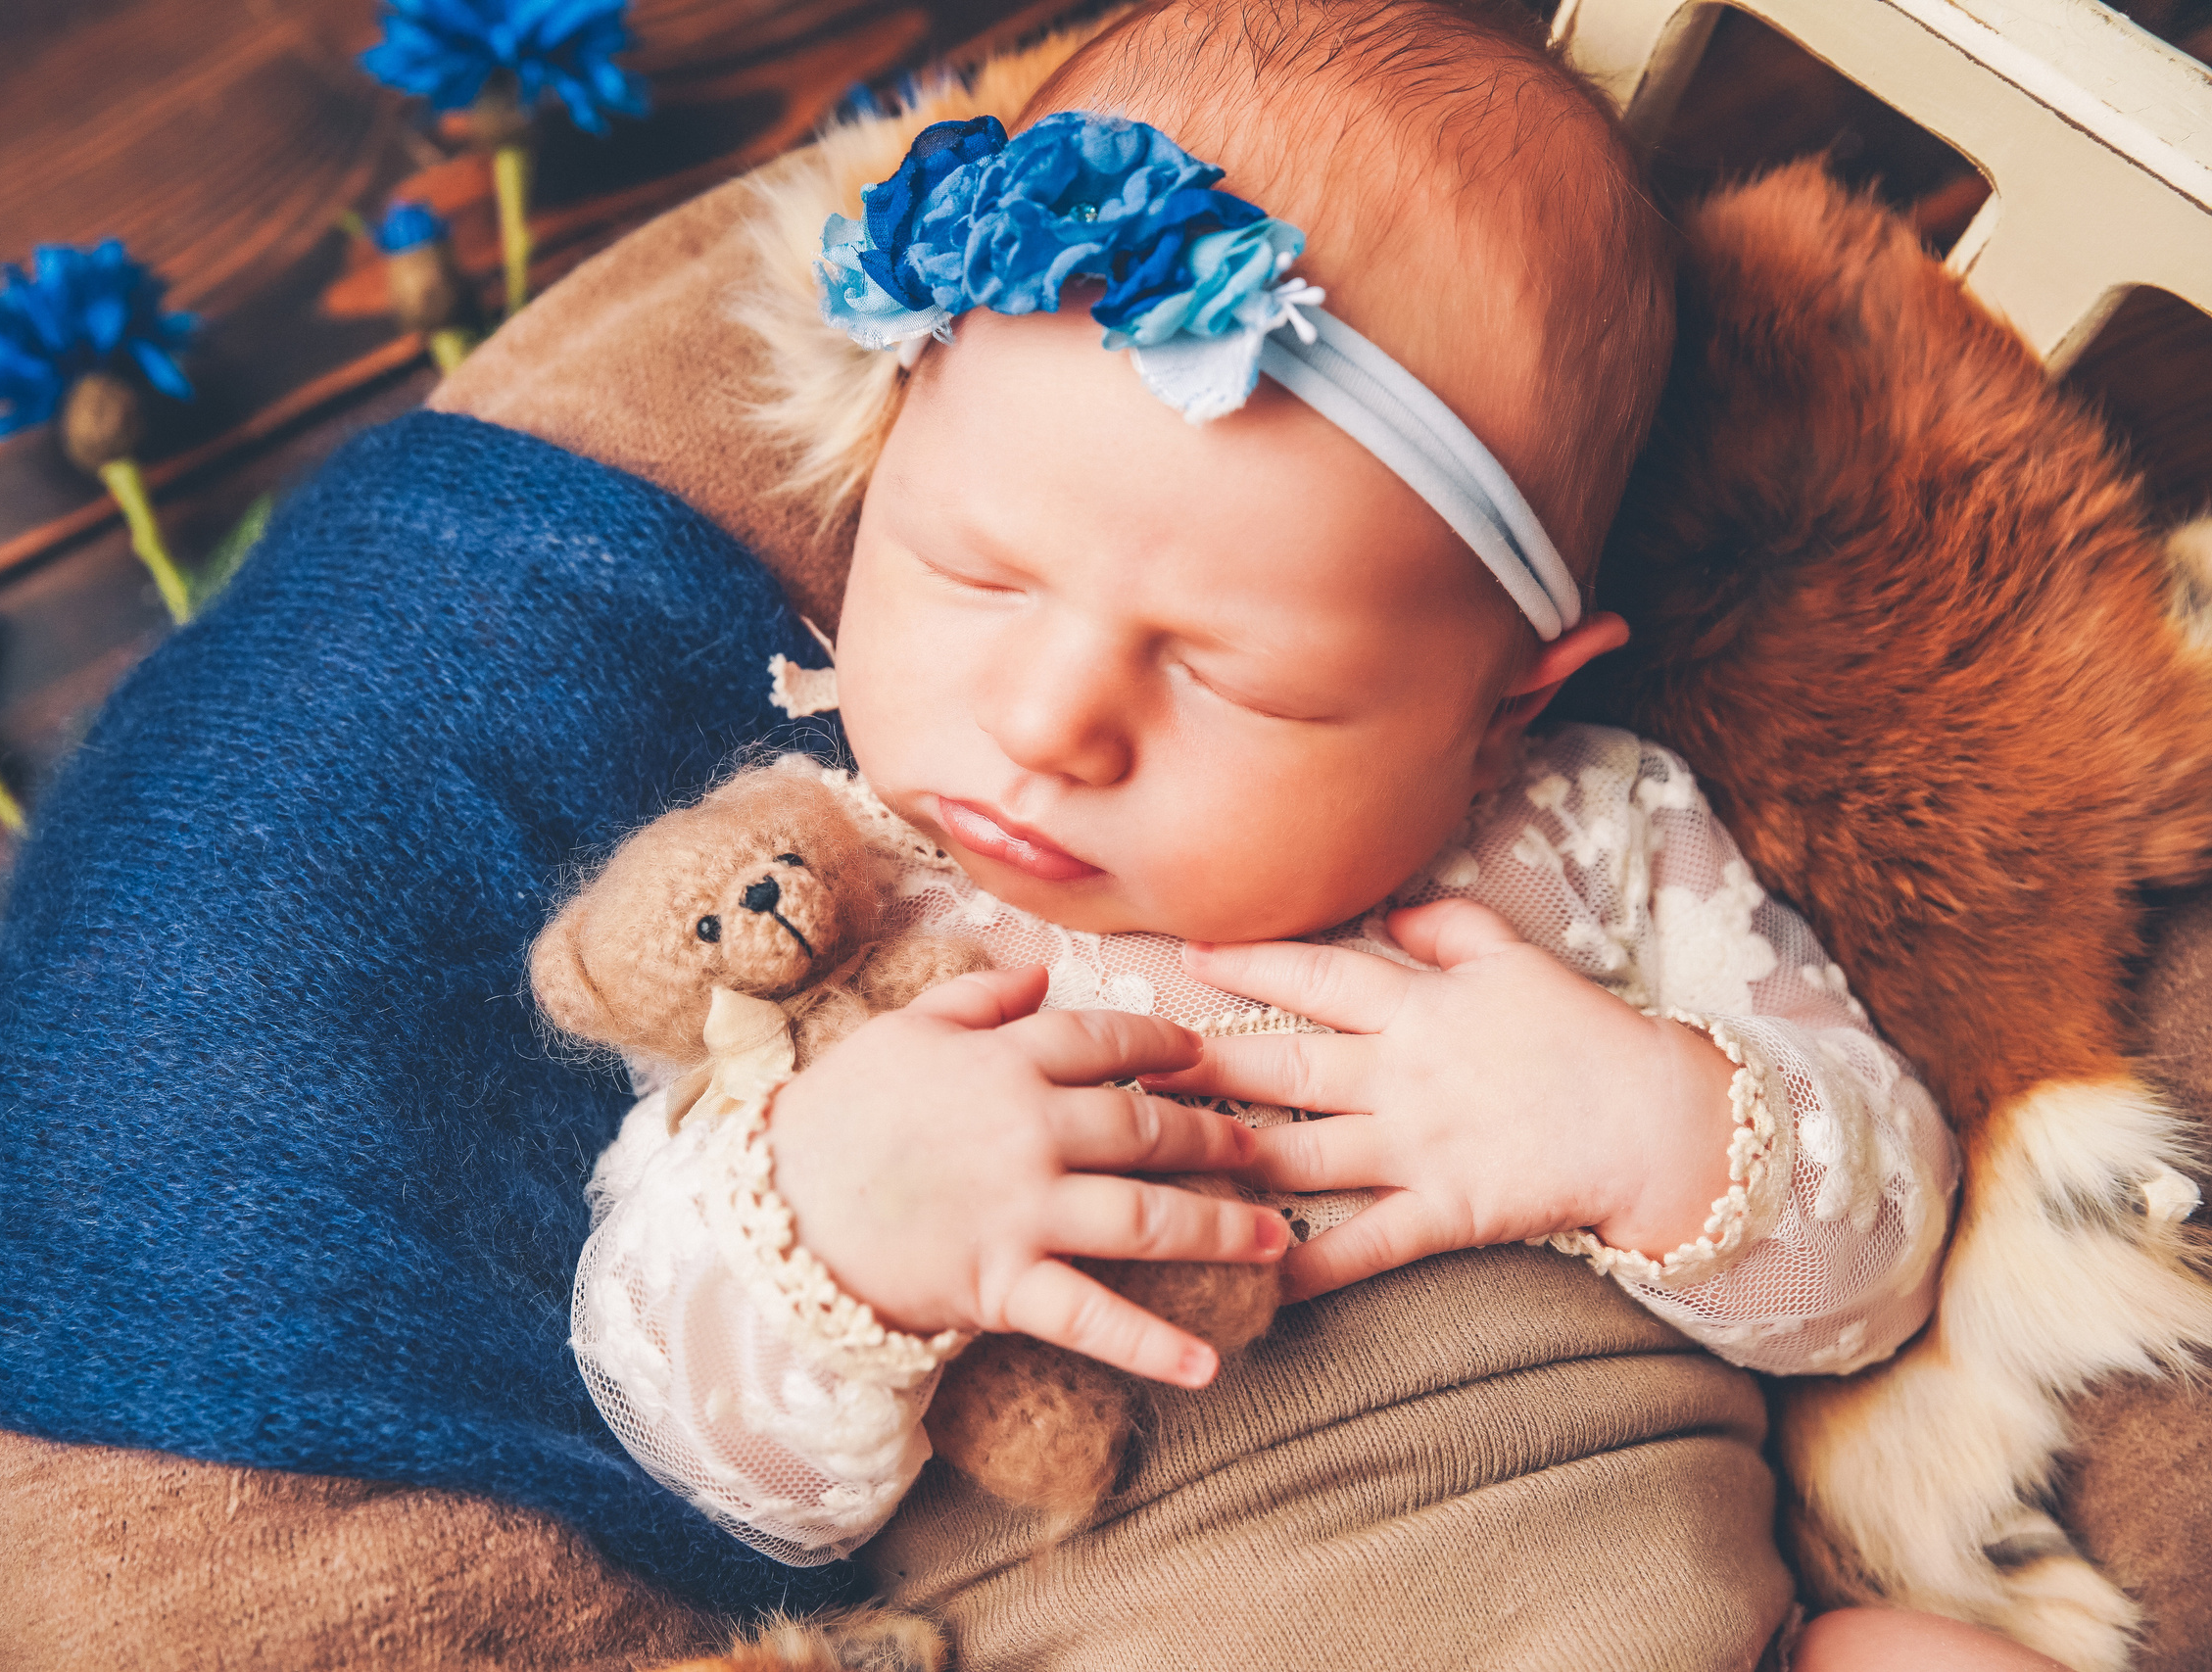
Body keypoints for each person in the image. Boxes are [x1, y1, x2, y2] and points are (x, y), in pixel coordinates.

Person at [569, 1, 2045, 1664]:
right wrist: (849, 1220)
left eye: (1235, 678)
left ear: (1498, 714)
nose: (1051, 718)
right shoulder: (829, 905)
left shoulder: (1592, 834)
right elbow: (710, 1452)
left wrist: (1644, 1126)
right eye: (972, 575)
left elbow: (1877, 1275)